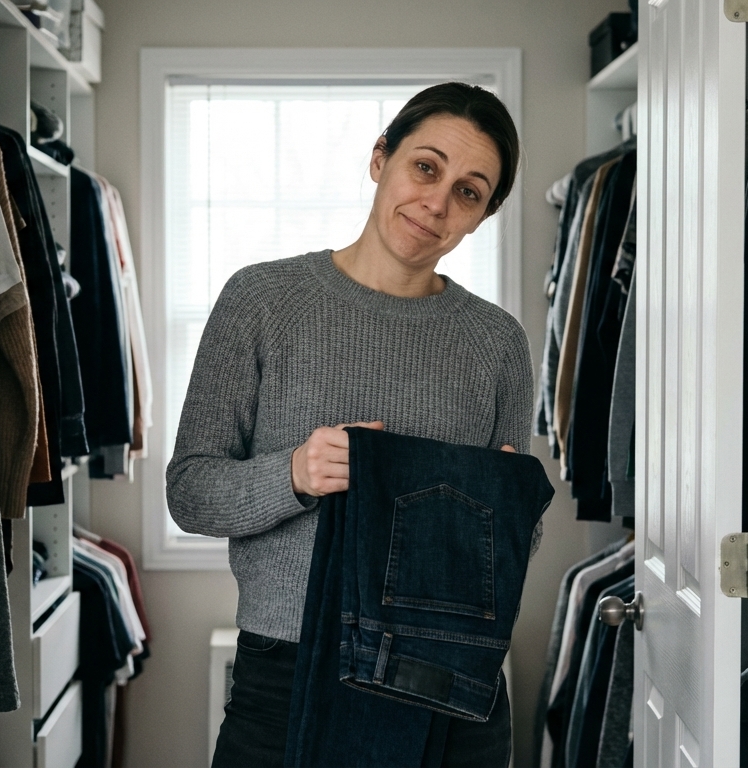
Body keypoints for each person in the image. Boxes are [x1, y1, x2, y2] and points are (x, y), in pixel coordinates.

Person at [166, 82, 532, 767]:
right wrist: (294, 474)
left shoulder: (498, 343)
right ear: (379, 158)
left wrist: (499, 512)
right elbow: (189, 492)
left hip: (449, 682)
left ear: (482, 216)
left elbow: (518, 540)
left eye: (468, 192)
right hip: (287, 673)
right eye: (425, 167)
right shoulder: (261, 300)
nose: (436, 203)